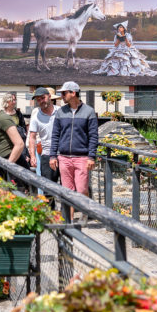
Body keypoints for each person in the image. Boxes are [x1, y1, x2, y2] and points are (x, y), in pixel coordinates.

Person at [49, 81, 99, 219]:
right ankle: (69, 220)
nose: (62, 96)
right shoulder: (60, 112)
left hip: (82, 157)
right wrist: (53, 156)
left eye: (64, 93)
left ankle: (86, 212)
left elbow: (93, 136)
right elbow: (55, 135)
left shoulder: (88, 111)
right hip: (64, 157)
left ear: (73, 93)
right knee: (67, 191)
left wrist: (91, 157)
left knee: (82, 189)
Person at [28, 87, 61, 208]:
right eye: (38, 99)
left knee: (67, 189)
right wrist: (32, 156)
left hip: (63, 154)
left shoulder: (61, 112)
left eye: (43, 98)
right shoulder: (36, 116)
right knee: (48, 190)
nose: (41, 101)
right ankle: (50, 216)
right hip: (47, 155)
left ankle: (67, 216)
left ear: (49, 97)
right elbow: (32, 137)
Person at [93, 21, 157, 77]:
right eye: (118, 27)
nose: (119, 28)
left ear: (124, 28)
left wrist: (125, 39)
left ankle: (126, 71)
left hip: (127, 50)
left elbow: (129, 45)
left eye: (121, 27)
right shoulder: (116, 36)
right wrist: (119, 39)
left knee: (128, 61)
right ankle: (115, 71)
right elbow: (115, 45)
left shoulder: (128, 35)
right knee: (114, 60)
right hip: (118, 50)